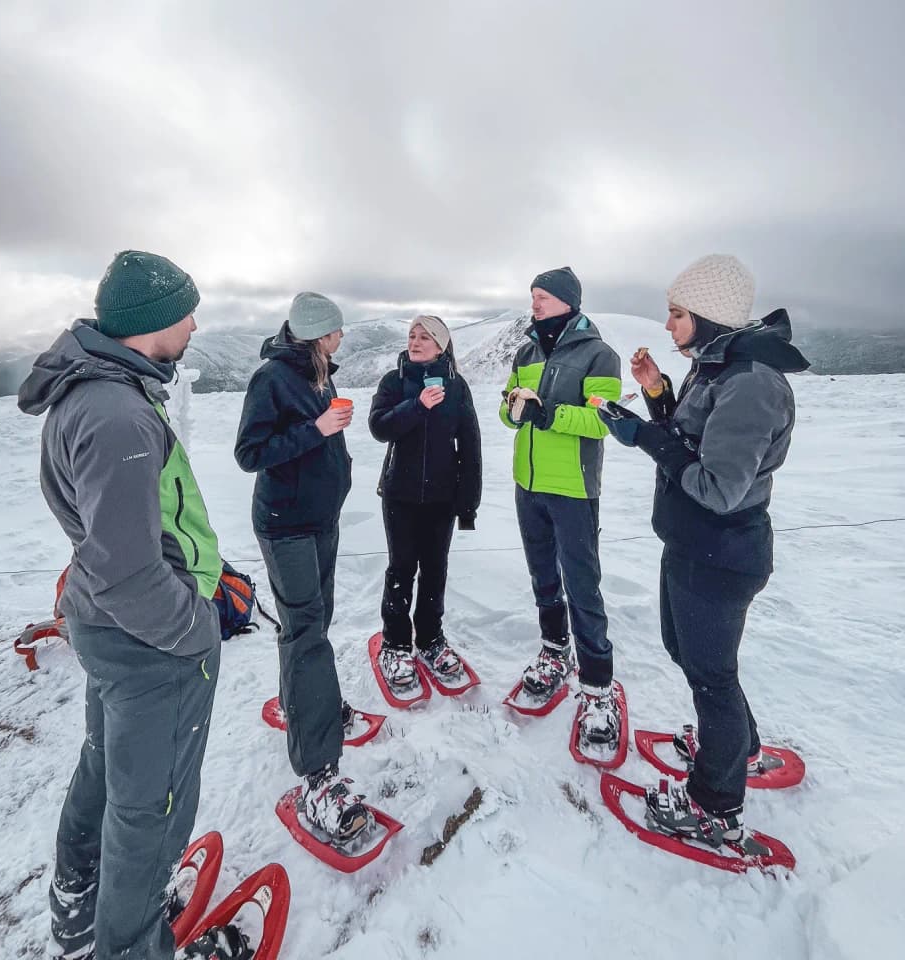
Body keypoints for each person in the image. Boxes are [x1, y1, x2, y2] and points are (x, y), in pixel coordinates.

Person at [18, 251, 230, 960]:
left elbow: (116, 540)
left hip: (109, 630)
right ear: (149, 324)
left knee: (106, 769)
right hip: (149, 645)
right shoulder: (117, 417)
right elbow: (131, 574)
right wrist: (195, 629)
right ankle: (131, 943)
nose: (194, 323)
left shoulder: (101, 392)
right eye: (184, 313)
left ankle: (80, 910)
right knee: (150, 811)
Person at [596, 254, 808, 847]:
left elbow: (718, 487)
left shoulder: (751, 385)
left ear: (709, 315)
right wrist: (657, 396)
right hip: (692, 546)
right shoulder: (717, 366)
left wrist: (643, 438)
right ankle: (737, 746)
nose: (667, 325)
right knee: (689, 655)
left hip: (720, 552)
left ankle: (715, 806)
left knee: (711, 676)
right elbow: (693, 437)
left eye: (676, 313)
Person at [234, 292, 369, 844]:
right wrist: (317, 431)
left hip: (319, 519)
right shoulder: (272, 379)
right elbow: (250, 453)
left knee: (313, 623)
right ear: (318, 334)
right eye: (336, 332)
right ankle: (318, 771)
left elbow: (317, 435)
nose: (342, 339)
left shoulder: (318, 374)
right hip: (286, 523)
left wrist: (332, 438)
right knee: (307, 631)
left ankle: (304, 703)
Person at [501, 266, 623, 745]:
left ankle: (597, 687)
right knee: (543, 579)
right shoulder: (526, 350)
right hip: (526, 484)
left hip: (573, 488)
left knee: (582, 586)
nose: (534, 303)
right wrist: (512, 408)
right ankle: (555, 650)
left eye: (543, 296)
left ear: (568, 302)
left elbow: (602, 421)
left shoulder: (600, 355)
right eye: (532, 295)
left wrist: (546, 413)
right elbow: (508, 409)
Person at [368, 315, 482, 690]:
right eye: (412, 335)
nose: (415, 342)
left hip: (442, 498)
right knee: (401, 569)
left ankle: (430, 639)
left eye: (425, 336)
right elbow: (379, 427)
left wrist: (468, 503)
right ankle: (396, 644)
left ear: (441, 345)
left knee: (435, 569)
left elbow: (470, 446)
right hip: (399, 494)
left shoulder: (457, 387)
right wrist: (416, 406)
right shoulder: (394, 381)